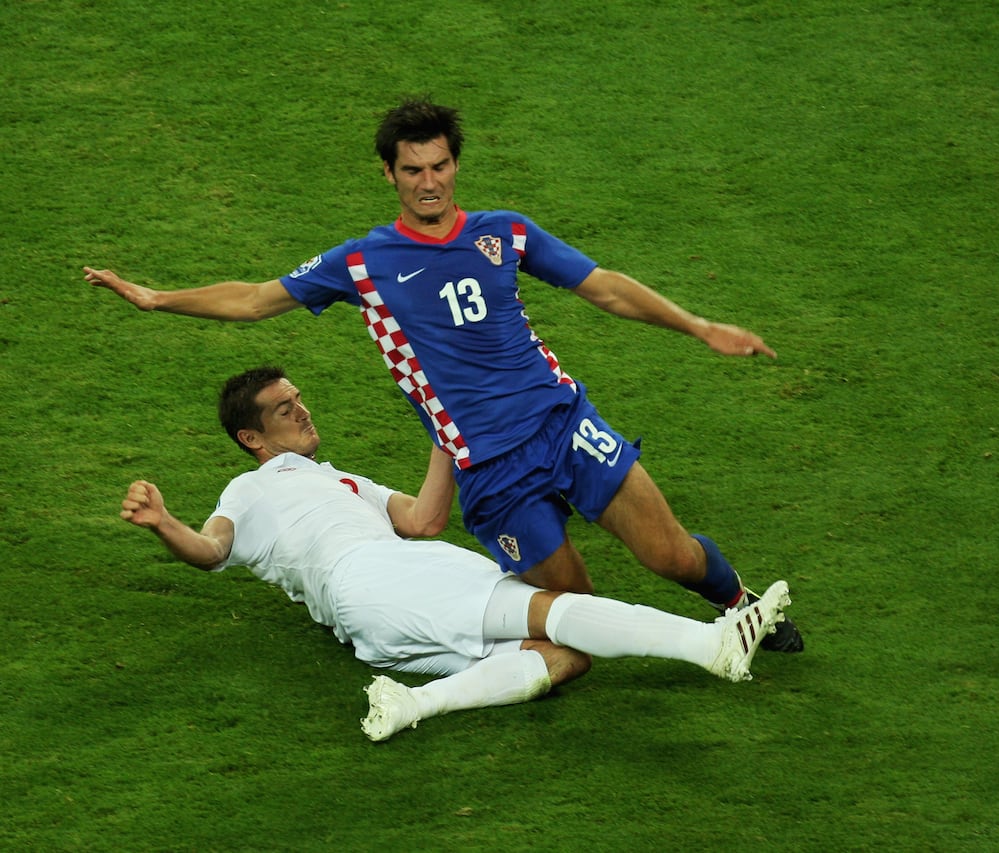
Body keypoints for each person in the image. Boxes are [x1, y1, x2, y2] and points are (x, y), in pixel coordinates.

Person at [85, 97, 802, 652]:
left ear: (455, 164)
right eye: (412, 169)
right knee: (575, 605)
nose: (428, 182)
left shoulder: (504, 232)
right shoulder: (360, 262)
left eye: (439, 166)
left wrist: (697, 325)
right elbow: (253, 298)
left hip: (561, 423)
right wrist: (156, 297)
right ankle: (667, 652)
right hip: (488, 471)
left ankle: (738, 606)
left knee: (670, 553)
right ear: (388, 173)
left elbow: (604, 286)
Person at [119, 366, 791, 741]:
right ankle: (711, 643)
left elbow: (423, 516)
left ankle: (412, 704)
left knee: (565, 657)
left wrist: (447, 426)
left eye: (298, 398)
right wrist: (164, 522)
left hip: (375, 623)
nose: (301, 410)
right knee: (555, 609)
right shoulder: (253, 485)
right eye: (282, 409)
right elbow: (212, 549)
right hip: (377, 576)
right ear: (251, 437)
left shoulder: (342, 479)